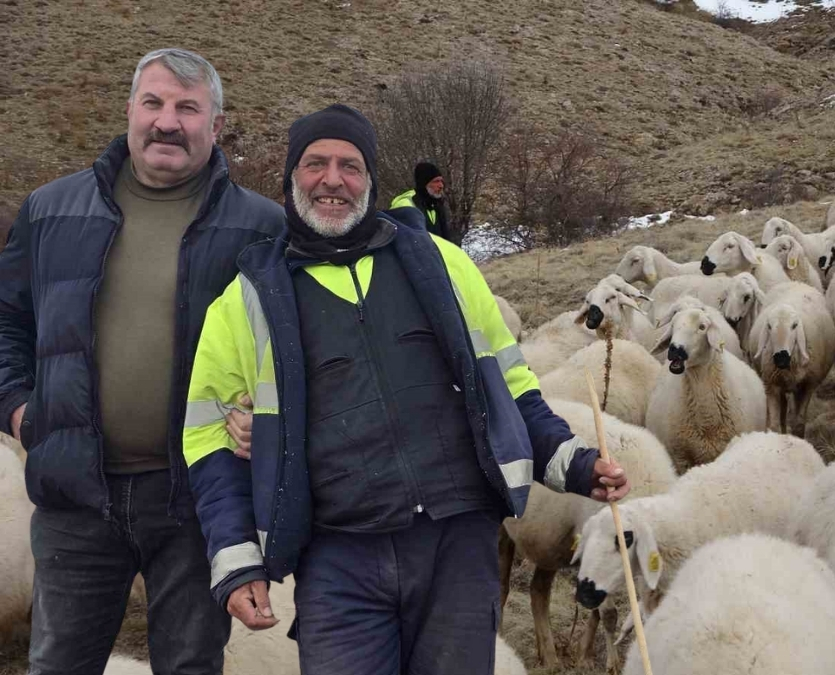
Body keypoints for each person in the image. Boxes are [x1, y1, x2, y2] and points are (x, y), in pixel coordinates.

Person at [183, 104, 630, 674]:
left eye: (350, 165)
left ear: (369, 180)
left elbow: (510, 384)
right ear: (292, 177)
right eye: (315, 163)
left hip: (457, 546)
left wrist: (574, 463)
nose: (332, 179)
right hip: (336, 562)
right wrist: (237, 559)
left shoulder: (441, 264)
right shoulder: (245, 302)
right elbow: (208, 440)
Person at [0, 48, 284, 674]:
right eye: (153, 103)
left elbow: (296, 347)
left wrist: (270, 419)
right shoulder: (51, 210)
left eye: (188, 108)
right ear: (129, 109)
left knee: (189, 664)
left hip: (198, 499)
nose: (167, 121)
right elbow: (7, 323)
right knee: (60, 664)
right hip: (77, 495)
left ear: (215, 124)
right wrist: (21, 411)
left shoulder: (262, 227)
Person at [385, 160, 450, 241]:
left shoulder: (436, 204)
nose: (441, 185)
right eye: (436, 181)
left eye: (441, 181)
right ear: (424, 183)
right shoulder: (406, 204)